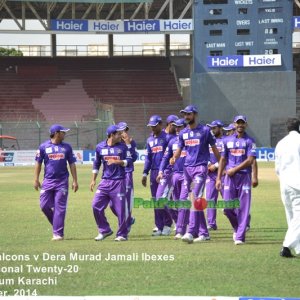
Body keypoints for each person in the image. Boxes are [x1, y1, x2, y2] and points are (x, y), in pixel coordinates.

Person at [170, 105, 221, 243]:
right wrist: (174, 157)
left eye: (188, 114)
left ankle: (191, 232)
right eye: (184, 114)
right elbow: (179, 150)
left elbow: (215, 149)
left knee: (195, 199)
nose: (186, 117)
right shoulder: (183, 133)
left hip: (200, 169)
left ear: (195, 115)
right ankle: (204, 233)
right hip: (187, 170)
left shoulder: (205, 131)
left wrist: (221, 162)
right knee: (191, 200)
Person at [216, 115, 256, 245]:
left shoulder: (250, 141)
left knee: (243, 208)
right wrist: (218, 178)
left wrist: (235, 169)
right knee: (227, 208)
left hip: (244, 176)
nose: (240, 125)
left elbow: (250, 160)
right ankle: (238, 227)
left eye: (242, 123)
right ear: (234, 124)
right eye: (238, 123)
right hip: (229, 178)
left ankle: (239, 237)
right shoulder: (226, 140)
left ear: (246, 125)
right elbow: (222, 159)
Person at [34, 124, 78, 241]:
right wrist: (36, 179)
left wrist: (75, 180)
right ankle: (56, 225)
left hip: (62, 181)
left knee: (60, 207)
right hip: (47, 181)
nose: (65, 134)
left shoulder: (67, 147)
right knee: (44, 206)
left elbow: (72, 164)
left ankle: (58, 234)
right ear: (57, 133)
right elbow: (38, 163)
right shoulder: (43, 147)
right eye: (63, 132)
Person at [90, 124, 132, 242]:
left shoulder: (123, 147)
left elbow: (129, 161)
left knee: (120, 210)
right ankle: (104, 230)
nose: (121, 136)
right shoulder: (100, 147)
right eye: (118, 134)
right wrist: (93, 179)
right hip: (105, 182)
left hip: (119, 181)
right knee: (95, 205)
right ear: (111, 135)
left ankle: (122, 234)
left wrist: (118, 161)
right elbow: (96, 163)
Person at [275, 117, 300, 258]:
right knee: (298, 217)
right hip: (298, 184)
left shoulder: (280, 143)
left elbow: (277, 168)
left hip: (284, 184)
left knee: (292, 217)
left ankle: (298, 248)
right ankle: (286, 245)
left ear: (287, 129)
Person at [159, 118, 187, 239]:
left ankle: (185, 229)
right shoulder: (172, 142)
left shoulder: (191, 141)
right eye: (176, 127)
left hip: (188, 175)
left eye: (180, 127)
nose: (177, 129)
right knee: (171, 202)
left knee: (185, 202)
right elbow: (166, 158)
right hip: (175, 175)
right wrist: (161, 171)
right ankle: (180, 224)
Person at [141, 115, 169, 235]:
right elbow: (148, 158)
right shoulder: (150, 140)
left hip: (164, 172)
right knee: (155, 201)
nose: (152, 128)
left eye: (154, 126)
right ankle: (159, 226)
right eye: (151, 126)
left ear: (160, 124)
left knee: (162, 199)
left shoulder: (167, 138)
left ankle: (168, 224)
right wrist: (144, 173)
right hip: (153, 172)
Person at [117, 121, 138, 232]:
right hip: (115, 176)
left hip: (127, 173)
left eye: (125, 130)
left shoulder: (131, 142)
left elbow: (133, 158)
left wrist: (128, 144)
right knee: (113, 203)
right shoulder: (115, 144)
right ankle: (128, 219)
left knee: (128, 200)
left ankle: (127, 225)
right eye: (121, 131)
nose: (123, 133)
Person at [205, 120, 225, 231]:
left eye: (214, 128)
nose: (212, 130)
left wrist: (216, 166)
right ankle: (211, 224)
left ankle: (241, 221)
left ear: (220, 128)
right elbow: (205, 154)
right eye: (211, 128)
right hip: (210, 175)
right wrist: (209, 164)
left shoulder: (224, 141)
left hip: (222, 174)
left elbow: (225, 156)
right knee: (210, 200)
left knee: (228, 199)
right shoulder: (208, 141)